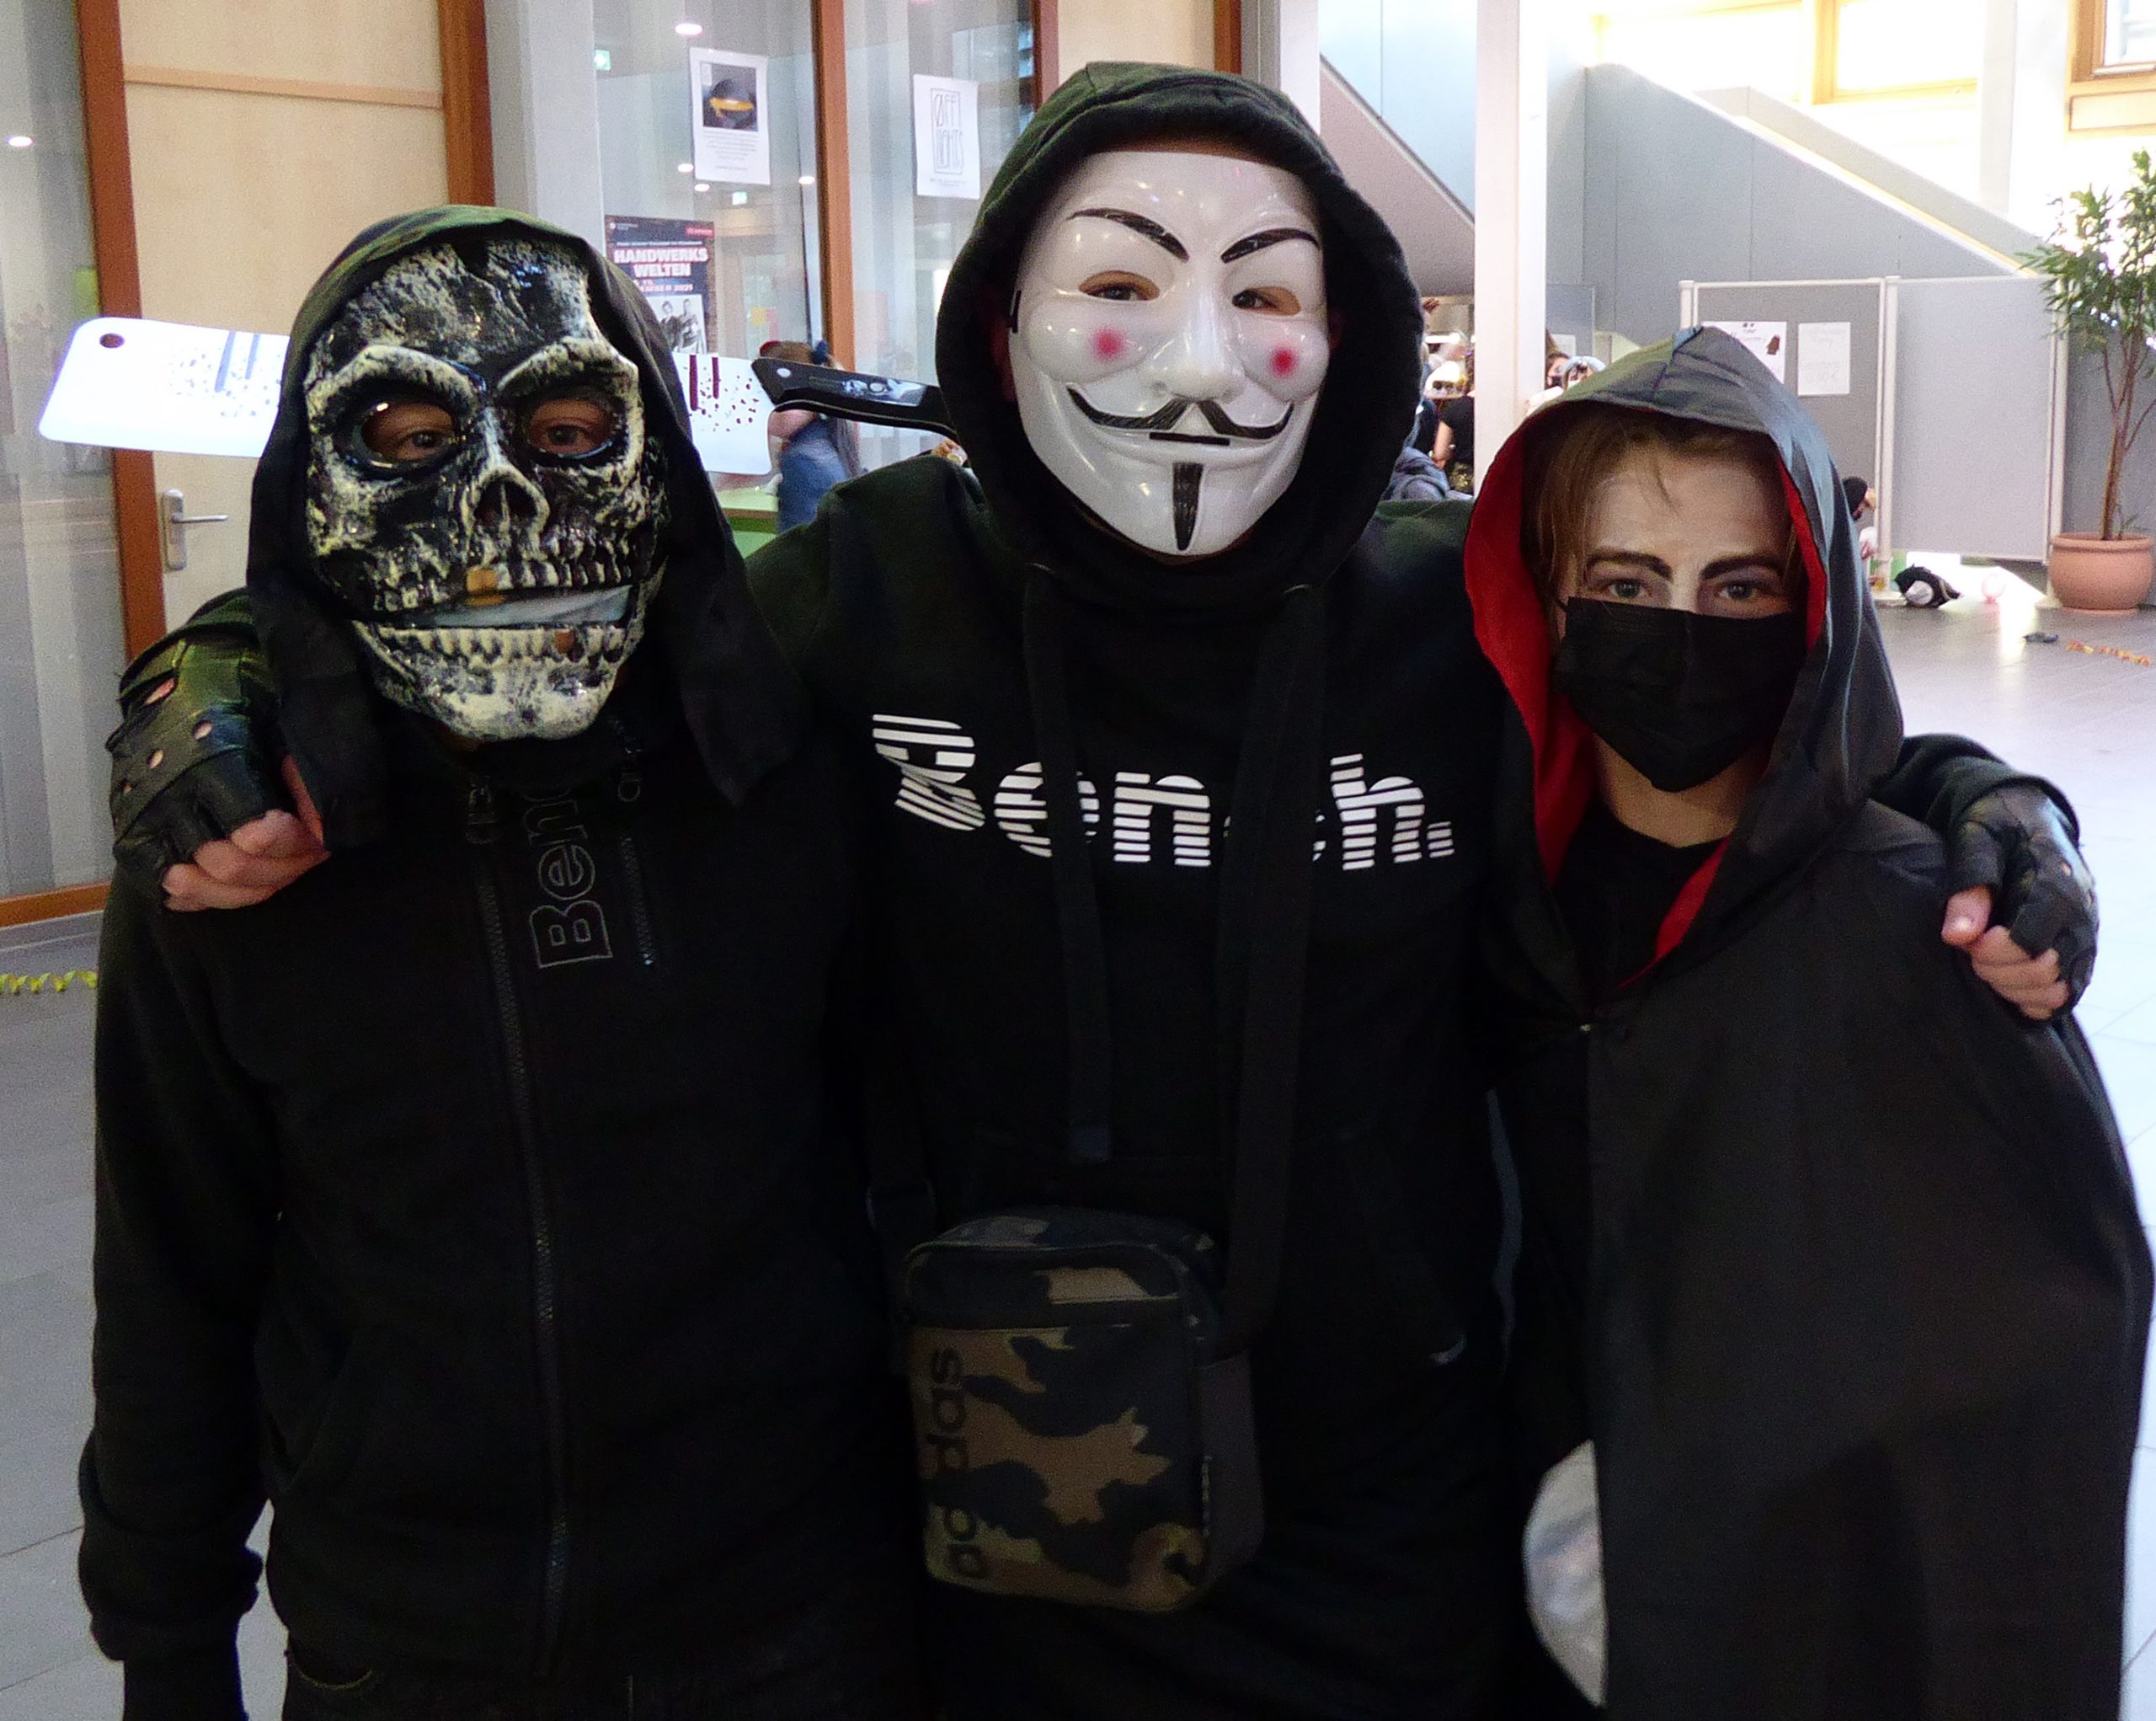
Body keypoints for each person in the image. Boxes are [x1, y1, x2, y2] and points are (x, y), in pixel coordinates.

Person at [108, 68, 2096, 1720]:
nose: (1200, 360)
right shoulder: (871, 594)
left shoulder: (1434, 625)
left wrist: (1969, 790)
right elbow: (559, 624)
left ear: (1349, 331)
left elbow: (1726, 755)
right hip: (997, 1517)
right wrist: (224, 674)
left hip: (1378, 1507)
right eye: (1121, 284)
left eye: (1265, 294)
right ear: (1004, 321)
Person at [80, 209, 920, 1721]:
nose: (496, 498)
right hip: (410, 1631)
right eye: (404, 438)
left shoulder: (781, 769)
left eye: (570, 431)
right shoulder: (245, 847)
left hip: (794, 1604)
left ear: (655, 463)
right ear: (310, 483)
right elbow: (169, 1272)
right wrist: (167, 1643)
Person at [1466, 328, 2145, 1717]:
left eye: (1740, 586)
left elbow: (2025, 1407)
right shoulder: (1480, 891)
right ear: (1552, 595)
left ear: (1812, 607)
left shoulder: (1924, 935)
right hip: (1487, 1587)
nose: (1680, 629)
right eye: (1626, 583)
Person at [762, 338, 866, 532]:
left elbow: (800, 541)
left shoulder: (801, 458)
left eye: (773, 401)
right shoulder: (831, 440)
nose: (765, 412)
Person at [1433, 354, 1476, 492]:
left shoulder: (1454, 408)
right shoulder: (1501, 407)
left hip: (1462, 481)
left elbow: (1440, 452)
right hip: (1495, 474)